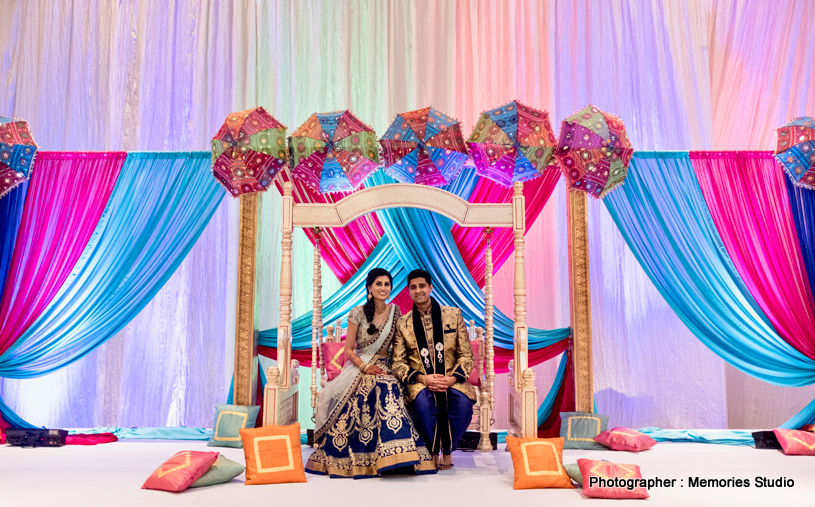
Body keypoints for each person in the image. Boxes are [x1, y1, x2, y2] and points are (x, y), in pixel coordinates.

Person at [305, 268, 436, 478]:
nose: (383, 288)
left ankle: (399, 455)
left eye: (387, 284)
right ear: (369, 288)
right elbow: (348, 350)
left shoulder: (395, 312)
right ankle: (376, 456)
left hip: (387, 366)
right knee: (379, 387)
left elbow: (400, 345)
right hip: (361, 366)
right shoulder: (357, 312)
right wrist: (365, 367)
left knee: (390, 385)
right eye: (379, 284)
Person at [391, 269, 475, 471]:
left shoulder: (453, 315)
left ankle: (447, 450)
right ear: (409, 292)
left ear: (430, 287)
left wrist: (451, 379)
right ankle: (430, 450)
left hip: (452, 379)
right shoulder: (403, 323)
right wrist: (423, 379)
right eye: (413, 287)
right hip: (420, 382)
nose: (418, 290)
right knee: (422, 406)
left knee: (463, 405)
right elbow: (398, 363)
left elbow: (467, 355)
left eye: (422, 286)